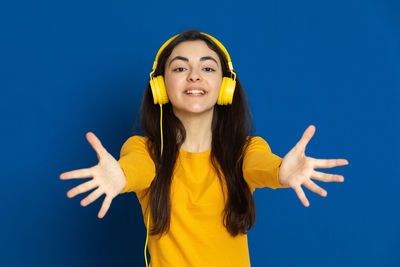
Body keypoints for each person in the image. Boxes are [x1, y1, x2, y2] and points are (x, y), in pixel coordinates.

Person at [59, 29, 349, 267]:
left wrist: (280, 172)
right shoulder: (144, 150)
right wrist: (120, 177)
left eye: (207, 67)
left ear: (226, 87)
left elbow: (261, 165)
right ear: (160, 86)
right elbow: (136, 168)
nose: (194, 76)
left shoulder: (245, 150)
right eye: (180, 67)